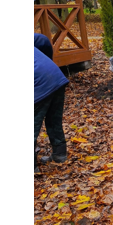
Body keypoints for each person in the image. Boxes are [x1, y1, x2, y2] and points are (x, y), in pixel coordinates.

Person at [34, 33, 69, 166]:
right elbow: (42, 39)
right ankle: (60, 154)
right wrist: (47, 62)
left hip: (38, 82)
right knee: (53, 119)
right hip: (56, 77)